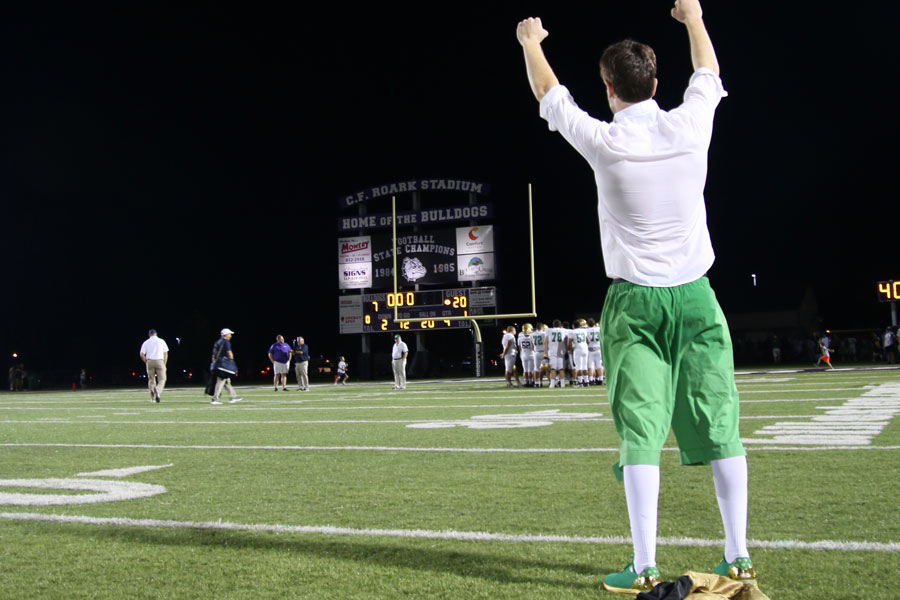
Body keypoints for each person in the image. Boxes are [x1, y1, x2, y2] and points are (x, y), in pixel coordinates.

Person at [518, 1, 754, 592]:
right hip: (698, 298)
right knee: (720, 422)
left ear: (608, 88)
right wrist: (695, 19)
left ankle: (645, 566)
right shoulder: (689, 126)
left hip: (636, 304)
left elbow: (550, 96)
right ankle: (739, 555)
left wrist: (530, 41)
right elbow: (708, 75)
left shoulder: (604, 141)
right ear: (655, 83)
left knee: (640, 432)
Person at [210, 328, 242, 405]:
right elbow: (229, 352)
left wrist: (214, 363)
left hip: (218, 364)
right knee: (221, 381)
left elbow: (213, 354)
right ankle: (215, 399)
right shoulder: (226, 342)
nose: (230, 336)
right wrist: (232, 361)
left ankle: (233, 397)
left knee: (227, 381)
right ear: (225, 335)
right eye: (229, 334)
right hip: (223, 365)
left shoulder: (218, 342)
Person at [139, 328, 169, 403]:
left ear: (149, 334)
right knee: (162, 378)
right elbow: (165, 353)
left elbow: (141, 354)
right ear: (156, 333)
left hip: (150, 361)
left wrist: (146, 362)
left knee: (151, 379)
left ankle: (153, 397)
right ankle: (158, 390)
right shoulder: (161, 341)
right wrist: (164, 364)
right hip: (159, 360)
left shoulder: (146, 342)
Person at [518, 323, 536, 387]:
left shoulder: (520, 338)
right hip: (531, 354)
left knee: (525, 370)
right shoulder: (531, 337)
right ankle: (530, 382)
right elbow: (532, 347)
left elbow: (519, 348)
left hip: (523, 354)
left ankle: (526, 382)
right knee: (530, 370)